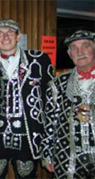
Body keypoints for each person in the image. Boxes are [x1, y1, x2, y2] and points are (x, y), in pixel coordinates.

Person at [0, 18, 54, 178]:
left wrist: (49, 141)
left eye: (10, 32)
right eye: (0, 34)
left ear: (18, 36)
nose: (5, 37)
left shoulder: (39, 60)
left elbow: (50, 100)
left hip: (30, 136)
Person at [42, 30, 95, 179]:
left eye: (86, 46)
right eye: (74, 48)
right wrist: (47, 153)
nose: (80, 52)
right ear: (69, 53)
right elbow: (50, 120)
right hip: (68, 156)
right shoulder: (57, 83)